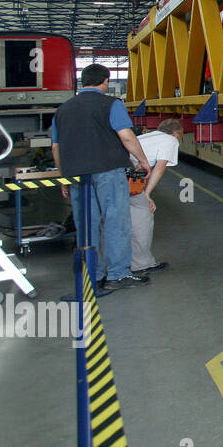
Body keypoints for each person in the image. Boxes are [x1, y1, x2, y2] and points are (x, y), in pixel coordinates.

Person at [51, 64, 153, 292]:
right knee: (116, 222)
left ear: (82, 82)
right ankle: (117, 275)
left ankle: (92, 277)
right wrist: (142, 160)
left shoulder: (62, 110)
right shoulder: (111, 104)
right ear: (106, 81)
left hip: (77, 176)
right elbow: (126, 136)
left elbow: (56, 148)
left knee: (87, 225)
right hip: (108, 171)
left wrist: (63, 176)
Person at [129, 118, 184, 274]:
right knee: (143, 215)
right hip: (124, 176)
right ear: (175, 133)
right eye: (180, 136)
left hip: (116, 173)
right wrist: (147, 194)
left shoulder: (148, 137)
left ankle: (122, 262)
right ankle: (141, 264)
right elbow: (160, 167)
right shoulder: (170, 140)